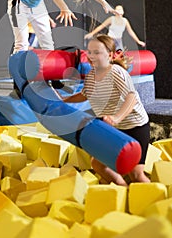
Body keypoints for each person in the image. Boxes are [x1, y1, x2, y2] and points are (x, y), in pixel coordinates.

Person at [63, 34, 150, 186]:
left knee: (136, 173)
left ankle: (154, 199)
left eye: (97, 52)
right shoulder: (91, 75)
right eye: (89, 52)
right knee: (98, 164)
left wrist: (117, 117)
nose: (91, 56)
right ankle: (122, 189)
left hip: (135, 127)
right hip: (115, 129)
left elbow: (132, 97)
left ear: (109, 55)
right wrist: (62, 100)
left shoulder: (116, 72)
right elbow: (84, 95)